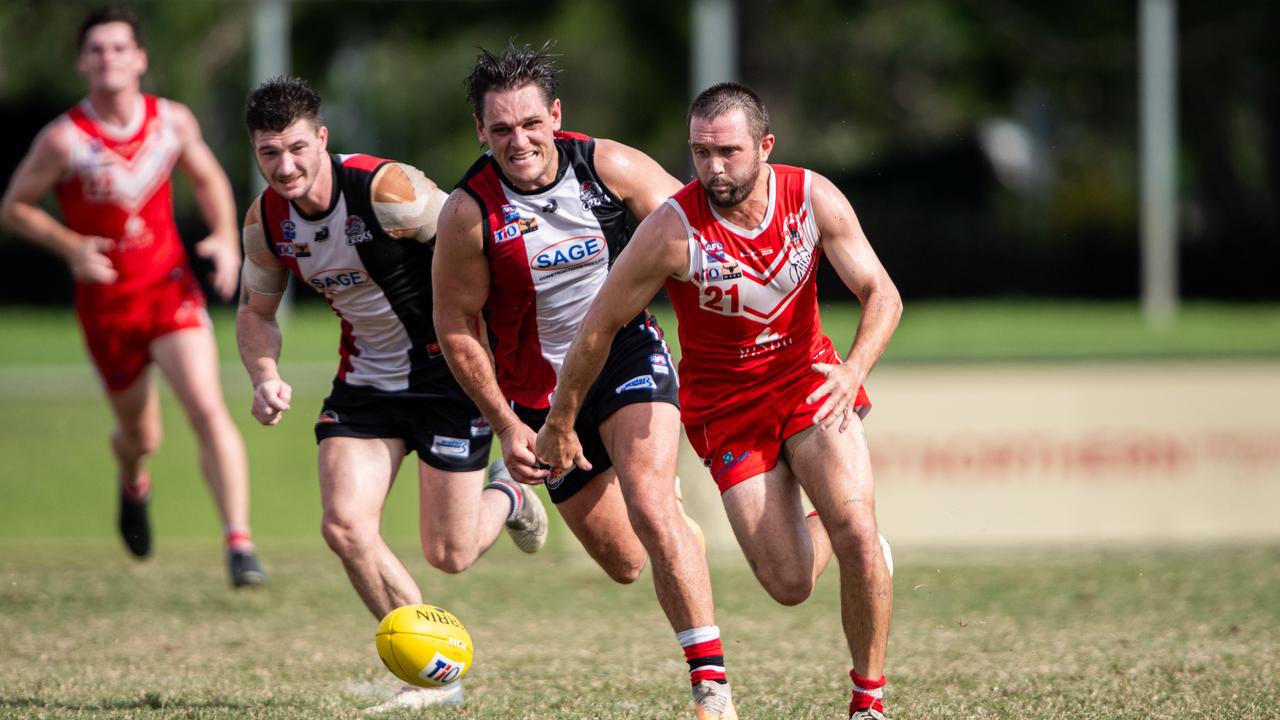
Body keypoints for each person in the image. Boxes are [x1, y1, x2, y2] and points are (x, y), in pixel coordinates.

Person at [536, 82, 902, 720]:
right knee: (787, 584)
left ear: (764, 146)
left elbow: (882, 293)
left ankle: (867, 701)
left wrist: (853, 369)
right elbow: (598, 326)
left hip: (811, 383)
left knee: (858, 532)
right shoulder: (670, 231)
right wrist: (561, 418)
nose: (713, 167)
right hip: (727, 407)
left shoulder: (811, 197)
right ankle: (855, 542)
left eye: (728, 151)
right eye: (700, 152)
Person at [433, 42, 735, 720]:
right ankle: (518, 495)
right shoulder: (467, 213)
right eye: (502, 129)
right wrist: (509, 426)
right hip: (538, 399)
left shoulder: (609, 167)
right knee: (628, 561)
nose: (520, 141)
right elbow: (455, 326)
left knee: (653, 508)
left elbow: (700, 238)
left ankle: (711, 690)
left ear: (555, 116)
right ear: (481, 132)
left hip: (624, 358)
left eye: (531, 123)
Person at [235, 75, 548, 713]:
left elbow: (480, 241)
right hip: (367, 383)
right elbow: (255, 312)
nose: (285, 166)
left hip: (447, 379)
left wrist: (505, 358)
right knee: (345, 526)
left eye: (297, 148)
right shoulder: (267, 221)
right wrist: (265, 374)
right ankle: (433, 677)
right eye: (269, 154)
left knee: (451, 554)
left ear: (322, 138)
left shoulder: (387, 190)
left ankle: (508, 494)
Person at [0, 5, 265, 587]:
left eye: (119, 48)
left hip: (169, 289)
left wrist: (224, 237)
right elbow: (14, 206)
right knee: (141, 436)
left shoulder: (171, 120)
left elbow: (208, 177)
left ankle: (240, 546)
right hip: (108, 307)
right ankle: (132, 479)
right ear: (81, 63)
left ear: (140, 59)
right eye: (96, 49)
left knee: (206, 403)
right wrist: (69, 245)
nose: (108, 58)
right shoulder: (64, 138)